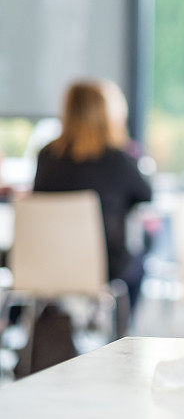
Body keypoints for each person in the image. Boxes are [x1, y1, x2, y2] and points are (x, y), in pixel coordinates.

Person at [33, 80, 152, 316]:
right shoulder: (118, 158)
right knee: (140, 259)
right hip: (101, 266)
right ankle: (119, 332)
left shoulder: (46, 155)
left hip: (47, 262)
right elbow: (146, 195)